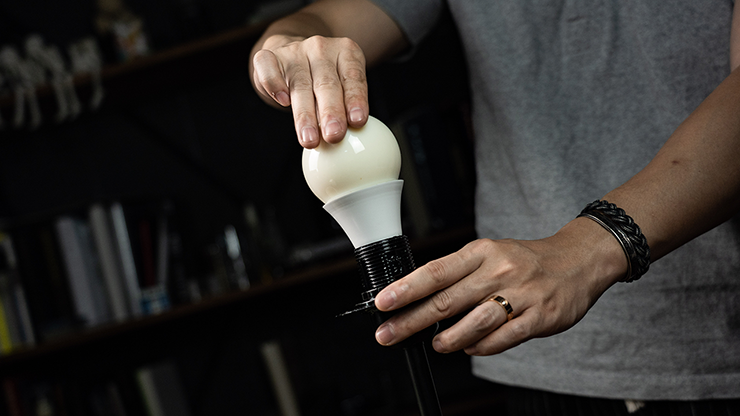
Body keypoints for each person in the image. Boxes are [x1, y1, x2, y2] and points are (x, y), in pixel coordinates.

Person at [250, 0, 740, 414]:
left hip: (717, 348)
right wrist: (290, 49)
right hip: (529, 347)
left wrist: (593, 246)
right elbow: (324, 22)